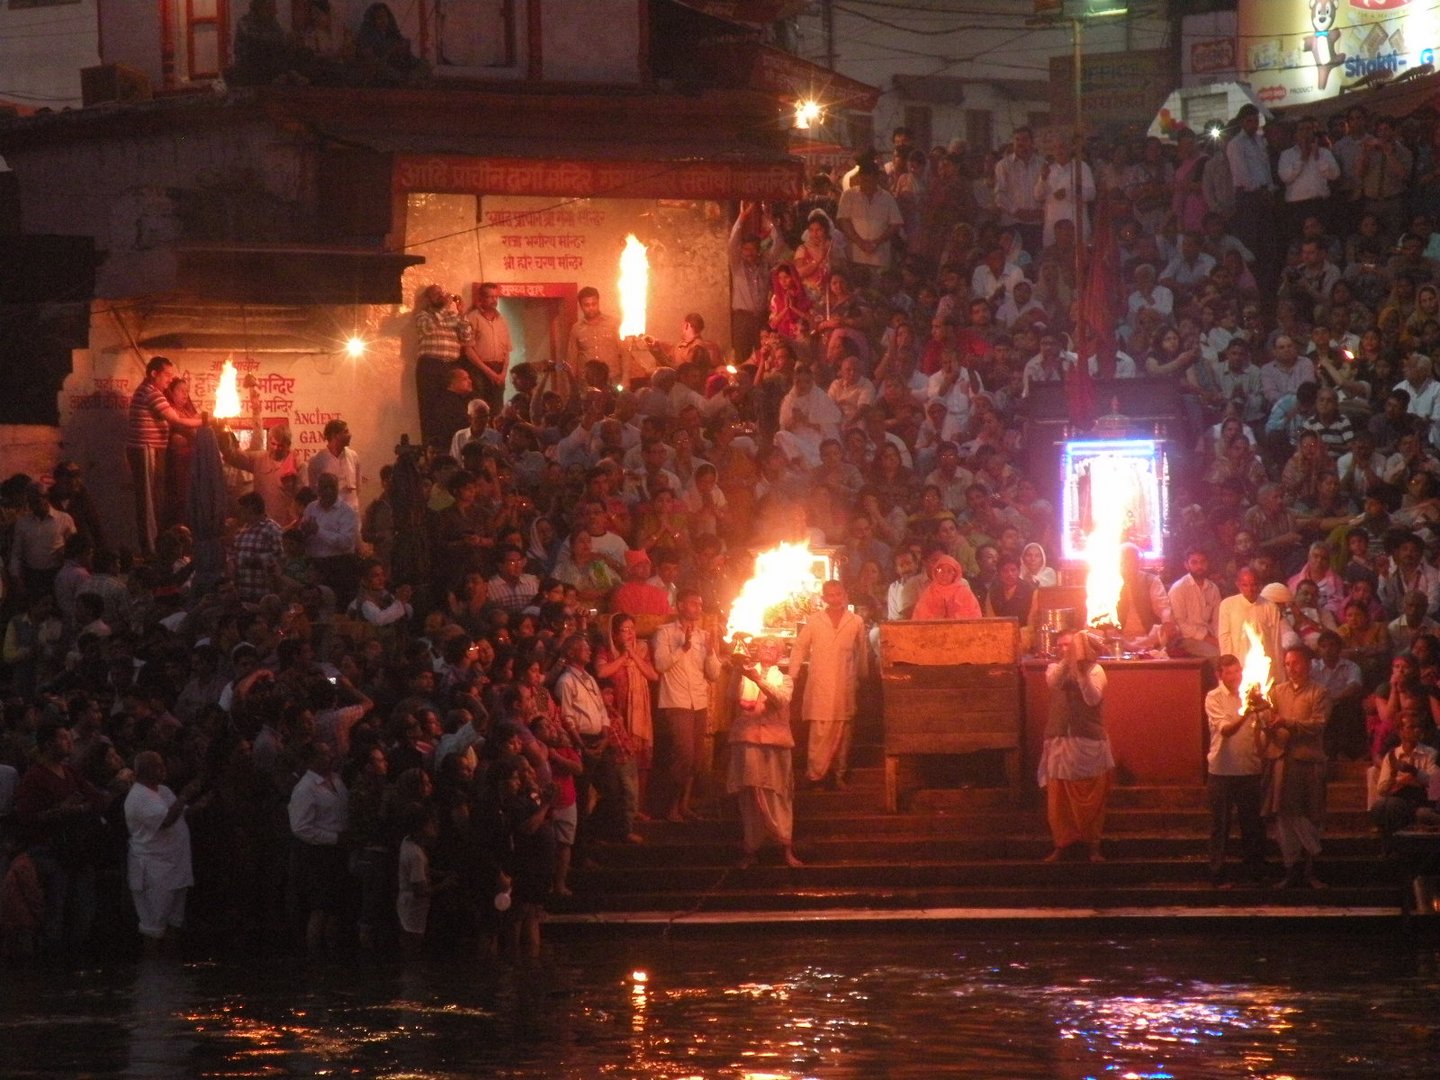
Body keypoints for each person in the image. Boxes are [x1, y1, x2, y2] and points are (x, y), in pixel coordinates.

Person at [1260, 645, 1333, 889]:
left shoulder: (1319, 692)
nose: (1292, 668)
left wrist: (1288, 722)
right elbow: (1269, 722)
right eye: (1288, 664)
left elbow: (1318, 724)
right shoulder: (1277, 692)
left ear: (1308, 664)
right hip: (1283, 761)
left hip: (1308, 762)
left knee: (1309, 816)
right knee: (1284, 817)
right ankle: (1291, 870)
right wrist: (1265, 722)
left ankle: (1311, 871)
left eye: (1297, 663)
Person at [1038, 631, 1113, 863]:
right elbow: (1055, 682)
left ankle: (1093, 847)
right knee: (1058, 802)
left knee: (1091, 801)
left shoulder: (1095, 671)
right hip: (1060, 742)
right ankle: (1061, 844)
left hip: (1087, 742)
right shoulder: (1054, 668)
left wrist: (1081, 671)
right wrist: (1070, 661)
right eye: (1060, 645)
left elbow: (1092, 698)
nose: (1064, 648)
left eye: (1069, 645)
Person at [789, 579, 869, 790]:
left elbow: (862, 653)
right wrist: (792, 675)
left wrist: (863, 677)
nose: (835, 599)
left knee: (843, 733)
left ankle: (838, 775)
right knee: (819, 733)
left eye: (838, 594)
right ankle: (816, 775)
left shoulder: (856, 622)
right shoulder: (815, 621)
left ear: (845, 595)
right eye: (830, 595)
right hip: (820, 685)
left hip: (845, 684)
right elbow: (799, 647)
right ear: (824, 598)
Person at [729, 636, 801, 868]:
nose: (768, 650)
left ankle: (785, 847)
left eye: (773, 648)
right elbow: (731, 695)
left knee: (779, 794)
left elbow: (780, 700)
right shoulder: (745, 674)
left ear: (780, 655)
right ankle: (750, 849)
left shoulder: (785, 679)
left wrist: (758, 680)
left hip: (775, 744)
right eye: (764, 646)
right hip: (748, 741)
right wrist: (737, 669)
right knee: (750, 795)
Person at [651, 588, 720, 822]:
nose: (697, 608)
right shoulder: (665, 633)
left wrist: (711, 653)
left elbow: (713, 674)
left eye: (700, 604)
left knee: (696, 759)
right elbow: (660, 665)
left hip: (698, 701)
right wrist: (683, 648)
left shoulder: (703, 636)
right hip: (676, 700)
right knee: (684, 755)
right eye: (693, 604)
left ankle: (684, 805)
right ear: (680, 606)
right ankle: (669, 807)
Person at [126, 355, 203, 554]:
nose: (170, 379)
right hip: (146, 449)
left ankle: (153, 546)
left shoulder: (153, 392)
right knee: (148, 503)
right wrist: (204, 421)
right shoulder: (151, 392)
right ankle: (150, 550)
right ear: (154, 374)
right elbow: (176, 420)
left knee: (154, 501)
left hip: (154, 450)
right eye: (167, 375)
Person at [123, 750, 199, 950]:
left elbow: (180, 813)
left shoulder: (163, 791)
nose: (163, 769)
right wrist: (184, 795)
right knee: (154, 927)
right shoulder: (139, 796)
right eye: (157, 766)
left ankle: (170, 974)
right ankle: (152, 975)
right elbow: (166, 820)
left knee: (175, 923)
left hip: (176, 868)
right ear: (142, 771)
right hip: (154, 871)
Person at [1205, 654, 1267, 887]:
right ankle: (1217, 875)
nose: (1235, 676)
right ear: (1219, 675)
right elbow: (1227, 731)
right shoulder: (1214, 697)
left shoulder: (1252, 694)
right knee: (1219, 827)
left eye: (1238, 671)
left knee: (1252, 826)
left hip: (1249, 769)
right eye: (1229, 672)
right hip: (1221, 771)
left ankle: (1255, 875)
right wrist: (1247, 711)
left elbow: (1263, 730)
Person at [287, 740, 349, 955]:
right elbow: (300, 827)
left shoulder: (337, 780)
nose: (329, 756)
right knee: (320, 906)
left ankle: (331, 949)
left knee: (335, 905)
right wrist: (333, 838)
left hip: (338, 851)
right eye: (323, 754)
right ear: (310, 760)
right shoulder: (305, 789)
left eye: (329, 752)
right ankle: (314, 954)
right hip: (318, 854)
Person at [413, 284, 473, 448]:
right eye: (436, 294)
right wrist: (445, 308)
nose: (441, 296)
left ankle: (456, 445)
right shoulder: (423, 315)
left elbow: (467, 337)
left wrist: (461, 313)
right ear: (428, 299)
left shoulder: (453, 316)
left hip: (451, 367)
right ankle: (433, 449)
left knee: (453, 407)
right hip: (431, 366)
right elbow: (427, 329)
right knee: (431, 410)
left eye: (442, 293)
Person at [1368, 713, 1439, 849]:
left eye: (1418, 727)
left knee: (1421, 814)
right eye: (1411, 727)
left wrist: (1414, 771)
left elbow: (1435, 785)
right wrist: (1398, 779)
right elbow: (1382, 789)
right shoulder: (1392, 756)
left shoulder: (1431, 754)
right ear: (1400, 732)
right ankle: (1391, 849)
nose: (1416, 730)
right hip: (1400, 801)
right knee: (1382, 807)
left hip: (1422, 802)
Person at [463, 282, 511, 414]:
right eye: (490, 297)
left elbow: (507, 350)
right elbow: (468, 350)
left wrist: (503, 373)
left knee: (497, 408)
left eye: (496, 297)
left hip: (499, 369)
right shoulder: (472, 318)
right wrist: (489, 372)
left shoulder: (502, 320)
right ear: (481, 299)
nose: (494, 300)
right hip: (480, 369)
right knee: (481, 409)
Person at [566, 286, 625, 386]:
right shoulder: (576, 329)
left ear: (598, 302)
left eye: (594, 304)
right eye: (587, 305)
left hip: (612, 379)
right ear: (581, 306)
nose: (591, 308)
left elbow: (625, 353)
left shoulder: (614, 324)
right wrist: (570, 386)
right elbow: (571, 359)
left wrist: (626, 379)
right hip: (587, 383)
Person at [305, 418, 362, 513]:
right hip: (328, 516)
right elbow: (314, 490)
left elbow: (358, 487)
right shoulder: (317, 460)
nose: (350, 435)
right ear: (335, 435)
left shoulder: (353, 456)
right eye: (346, 432)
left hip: (351, 514)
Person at [911, 553, 982, 620]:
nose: (944, 574)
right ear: (935, 572)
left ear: (955, 574)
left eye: (949, 571)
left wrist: (954, 613)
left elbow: (974, 616)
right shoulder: (930, 592)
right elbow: (920, 616)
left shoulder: (964, 592)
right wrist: (937, 615)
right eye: (941, 570)